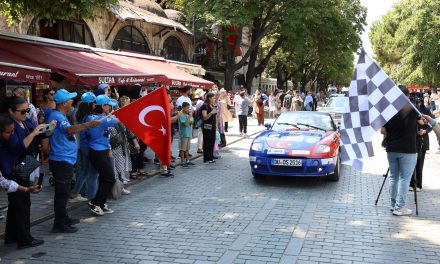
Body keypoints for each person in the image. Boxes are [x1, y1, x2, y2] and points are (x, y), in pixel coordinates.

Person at [47, 89, 101, 233]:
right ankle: (59, 223)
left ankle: (64, 218)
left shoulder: (60, 115)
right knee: (62, 193)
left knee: (64, 192)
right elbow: (69, 131)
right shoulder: (57, 116)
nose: (72, 101)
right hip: (61, 159)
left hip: (65, 159)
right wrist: (88, 125)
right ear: (64, 103)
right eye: (70, 99)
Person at [0, 102, 46, 249]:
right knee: (21, 204)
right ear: (11, 111)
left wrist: (45, 130)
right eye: (22, 111)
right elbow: (16, 147)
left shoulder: (23, 122)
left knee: (16, 204)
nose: (26, 113)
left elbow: (37, 137)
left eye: (28, 110)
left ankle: (12, 236)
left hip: (25, 164)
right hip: (14, 168)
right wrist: (33, 134)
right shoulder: (8, 125)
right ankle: (25, 239)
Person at [383, 85, 423, 216]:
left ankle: (393, 204)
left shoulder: (388, 109)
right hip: (408, 149)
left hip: (392, 148)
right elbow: (422, 122)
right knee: (405, 178)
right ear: (407, 95)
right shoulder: (413, 108)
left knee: (393, 177)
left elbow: (382, 130)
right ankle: (400, 207)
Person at [85, 95, 119, 216]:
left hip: (102, 151)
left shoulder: (97, 117)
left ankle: (101, 203)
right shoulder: (98, 120)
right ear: (102, 106)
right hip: (97, 152)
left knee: (105, 178)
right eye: (108, 105)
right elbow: (118, 120)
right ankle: (95, 202)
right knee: (110, 178)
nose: (110, 107)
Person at [70, 92, 99, 202]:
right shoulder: (89, 117)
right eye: (93, 103)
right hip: (89, 146)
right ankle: (93, 198)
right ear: (89, 105)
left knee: (85, 171)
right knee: (92, 173)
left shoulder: (78, 114)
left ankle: (75, 192)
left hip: (83, 146)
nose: (95, 105)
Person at [409, 94, 433, 192]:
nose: (417, 103)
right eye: (415, 101)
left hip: (422, 140)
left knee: (420, 163)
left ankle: (418, 184)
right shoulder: (410, 110)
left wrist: (425, 131)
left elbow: (432, 125)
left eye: (419, 101)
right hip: (411, 139)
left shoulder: (426, 111)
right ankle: (411, 183)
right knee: (411, 162)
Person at [201, 93, 217, 163]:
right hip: (207, 125)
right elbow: (204, 118)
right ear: (209, 98)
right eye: (213, 98)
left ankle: (211, 156)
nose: (214, 99)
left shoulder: (212, 105)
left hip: (213, 126)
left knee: (212, 141)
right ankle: (207, 158)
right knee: (207, 141)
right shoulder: (205, 106)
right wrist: (211, 112)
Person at [178, 102, 194, 168]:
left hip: (188, 134)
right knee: (182, 149)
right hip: (183, 134)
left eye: (189, 108)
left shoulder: (187, 115)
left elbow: (192, 122)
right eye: (187, 108)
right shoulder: (181, 115)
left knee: (187, 149)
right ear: (183, 108)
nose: (188, 109)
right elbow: (186, 124)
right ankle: (182, 161)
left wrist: (191, 116)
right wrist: (189, 117)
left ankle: (187, 160)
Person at [194, 89, 206, 154]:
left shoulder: (198, 102)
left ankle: (200, 147)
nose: (204, 95)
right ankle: (200, 148)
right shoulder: (201, 102)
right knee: (201, 134)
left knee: (200, 134)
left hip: (199, 119)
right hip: (201, 120)